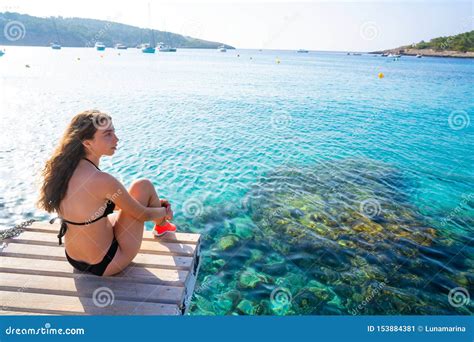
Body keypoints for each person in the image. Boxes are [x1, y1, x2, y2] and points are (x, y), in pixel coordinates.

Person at [37, 110, 176, 276]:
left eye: (114, 132)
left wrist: (137, 205)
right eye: (108, 134)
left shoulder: (63, 171)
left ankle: (162, 224)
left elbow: (95, 204)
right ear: (87, 143)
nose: (116, 139)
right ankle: (162, 225)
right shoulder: (102, 180)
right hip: (106, 262)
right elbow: (142, 214)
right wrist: (164, 211)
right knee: (143, 186)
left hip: (73, 258)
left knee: (133, 196)